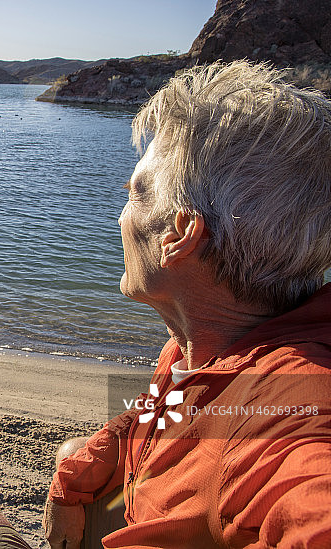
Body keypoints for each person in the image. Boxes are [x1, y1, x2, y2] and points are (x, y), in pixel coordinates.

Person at [42, 61, 331, 547]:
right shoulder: (197, 345)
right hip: (139, 495)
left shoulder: (283, 417)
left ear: (179, 235)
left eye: (134, 193)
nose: (119, 219)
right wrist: (70, 480)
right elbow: (161, 412)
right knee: (70, 450)